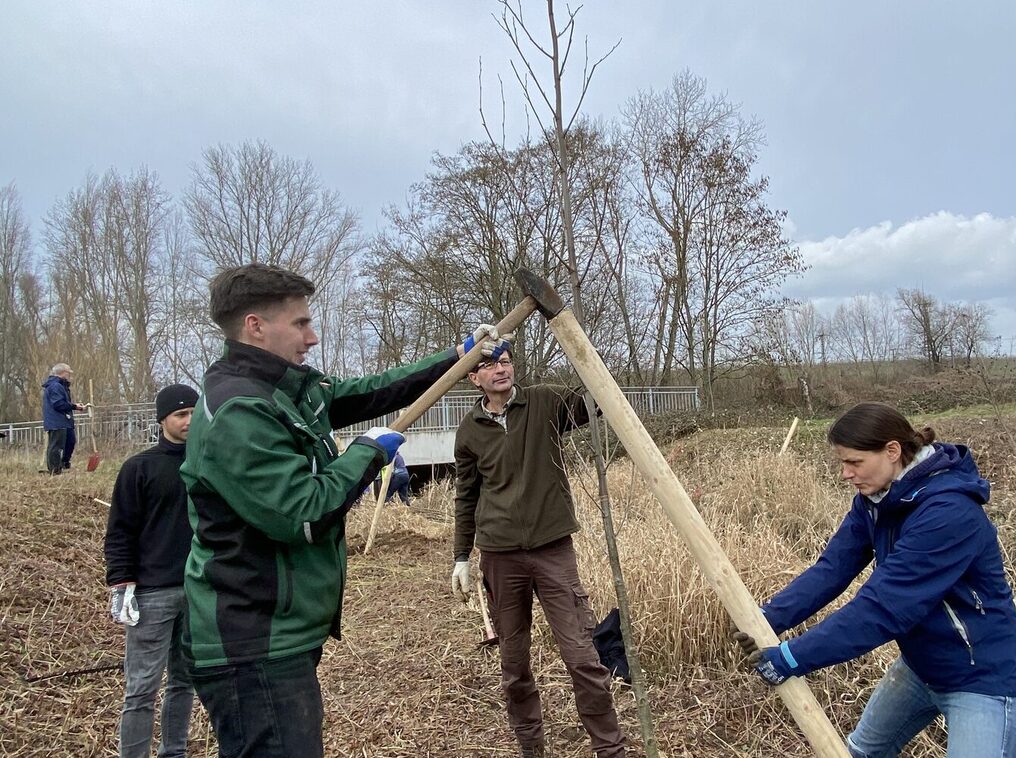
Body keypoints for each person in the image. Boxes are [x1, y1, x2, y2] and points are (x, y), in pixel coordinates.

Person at [180, 263, 507, 756]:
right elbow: (305, 512)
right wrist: (367, 451)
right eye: (301, 324)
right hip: (252, 641)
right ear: (255, 326)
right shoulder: (238, 411)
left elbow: (372, 391)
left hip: (281, 630)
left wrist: (455, 359)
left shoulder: (289, 388)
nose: (312, 337)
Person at [733, 402, 1016, 758]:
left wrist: (793, 657)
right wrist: (767, 619)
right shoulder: (877, 499)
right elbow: (833, 568)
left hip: (983, 680)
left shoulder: (948, 513)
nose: (846, 474)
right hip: (920, 667)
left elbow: (883, 607)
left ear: (892, 451)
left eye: (854, 462)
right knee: (861, 753)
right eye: (842, 463)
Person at [450, 349, 626, 758]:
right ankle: (532, 748)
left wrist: (579, 345)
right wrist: (462, 556)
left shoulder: (545, 402)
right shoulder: (469, 430)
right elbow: (466, 496)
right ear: (474, 378)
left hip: (552, 550)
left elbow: (599, 399)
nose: (501, 368)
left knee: (582, 657)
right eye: (490, 364)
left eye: (506, 361)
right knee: (514, 665)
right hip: (500, 555)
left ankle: (610, 749)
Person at [104, 383, 200, 758]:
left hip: (197, 589)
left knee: (183, 681)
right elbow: (120, 529)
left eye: (194, 412)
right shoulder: (139, 468)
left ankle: (173, 752)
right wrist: (121, 583)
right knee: (141, 688)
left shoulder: (208, 464)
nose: (189, 421)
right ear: (163, 420)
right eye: (181, 414)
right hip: (152, 593)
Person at [42, 363, 86, 473]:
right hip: (56, 421)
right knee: (56, 446)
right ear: (63, 373)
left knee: (70, 442)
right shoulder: (55, 386)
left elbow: (62, 402)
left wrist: (73, 405)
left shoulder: (60, 386)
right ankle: (54, 470)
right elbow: (58, 404)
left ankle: (63, 464)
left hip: (64, 421)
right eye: (68, 373)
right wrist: (74, 406)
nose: (69, 375)